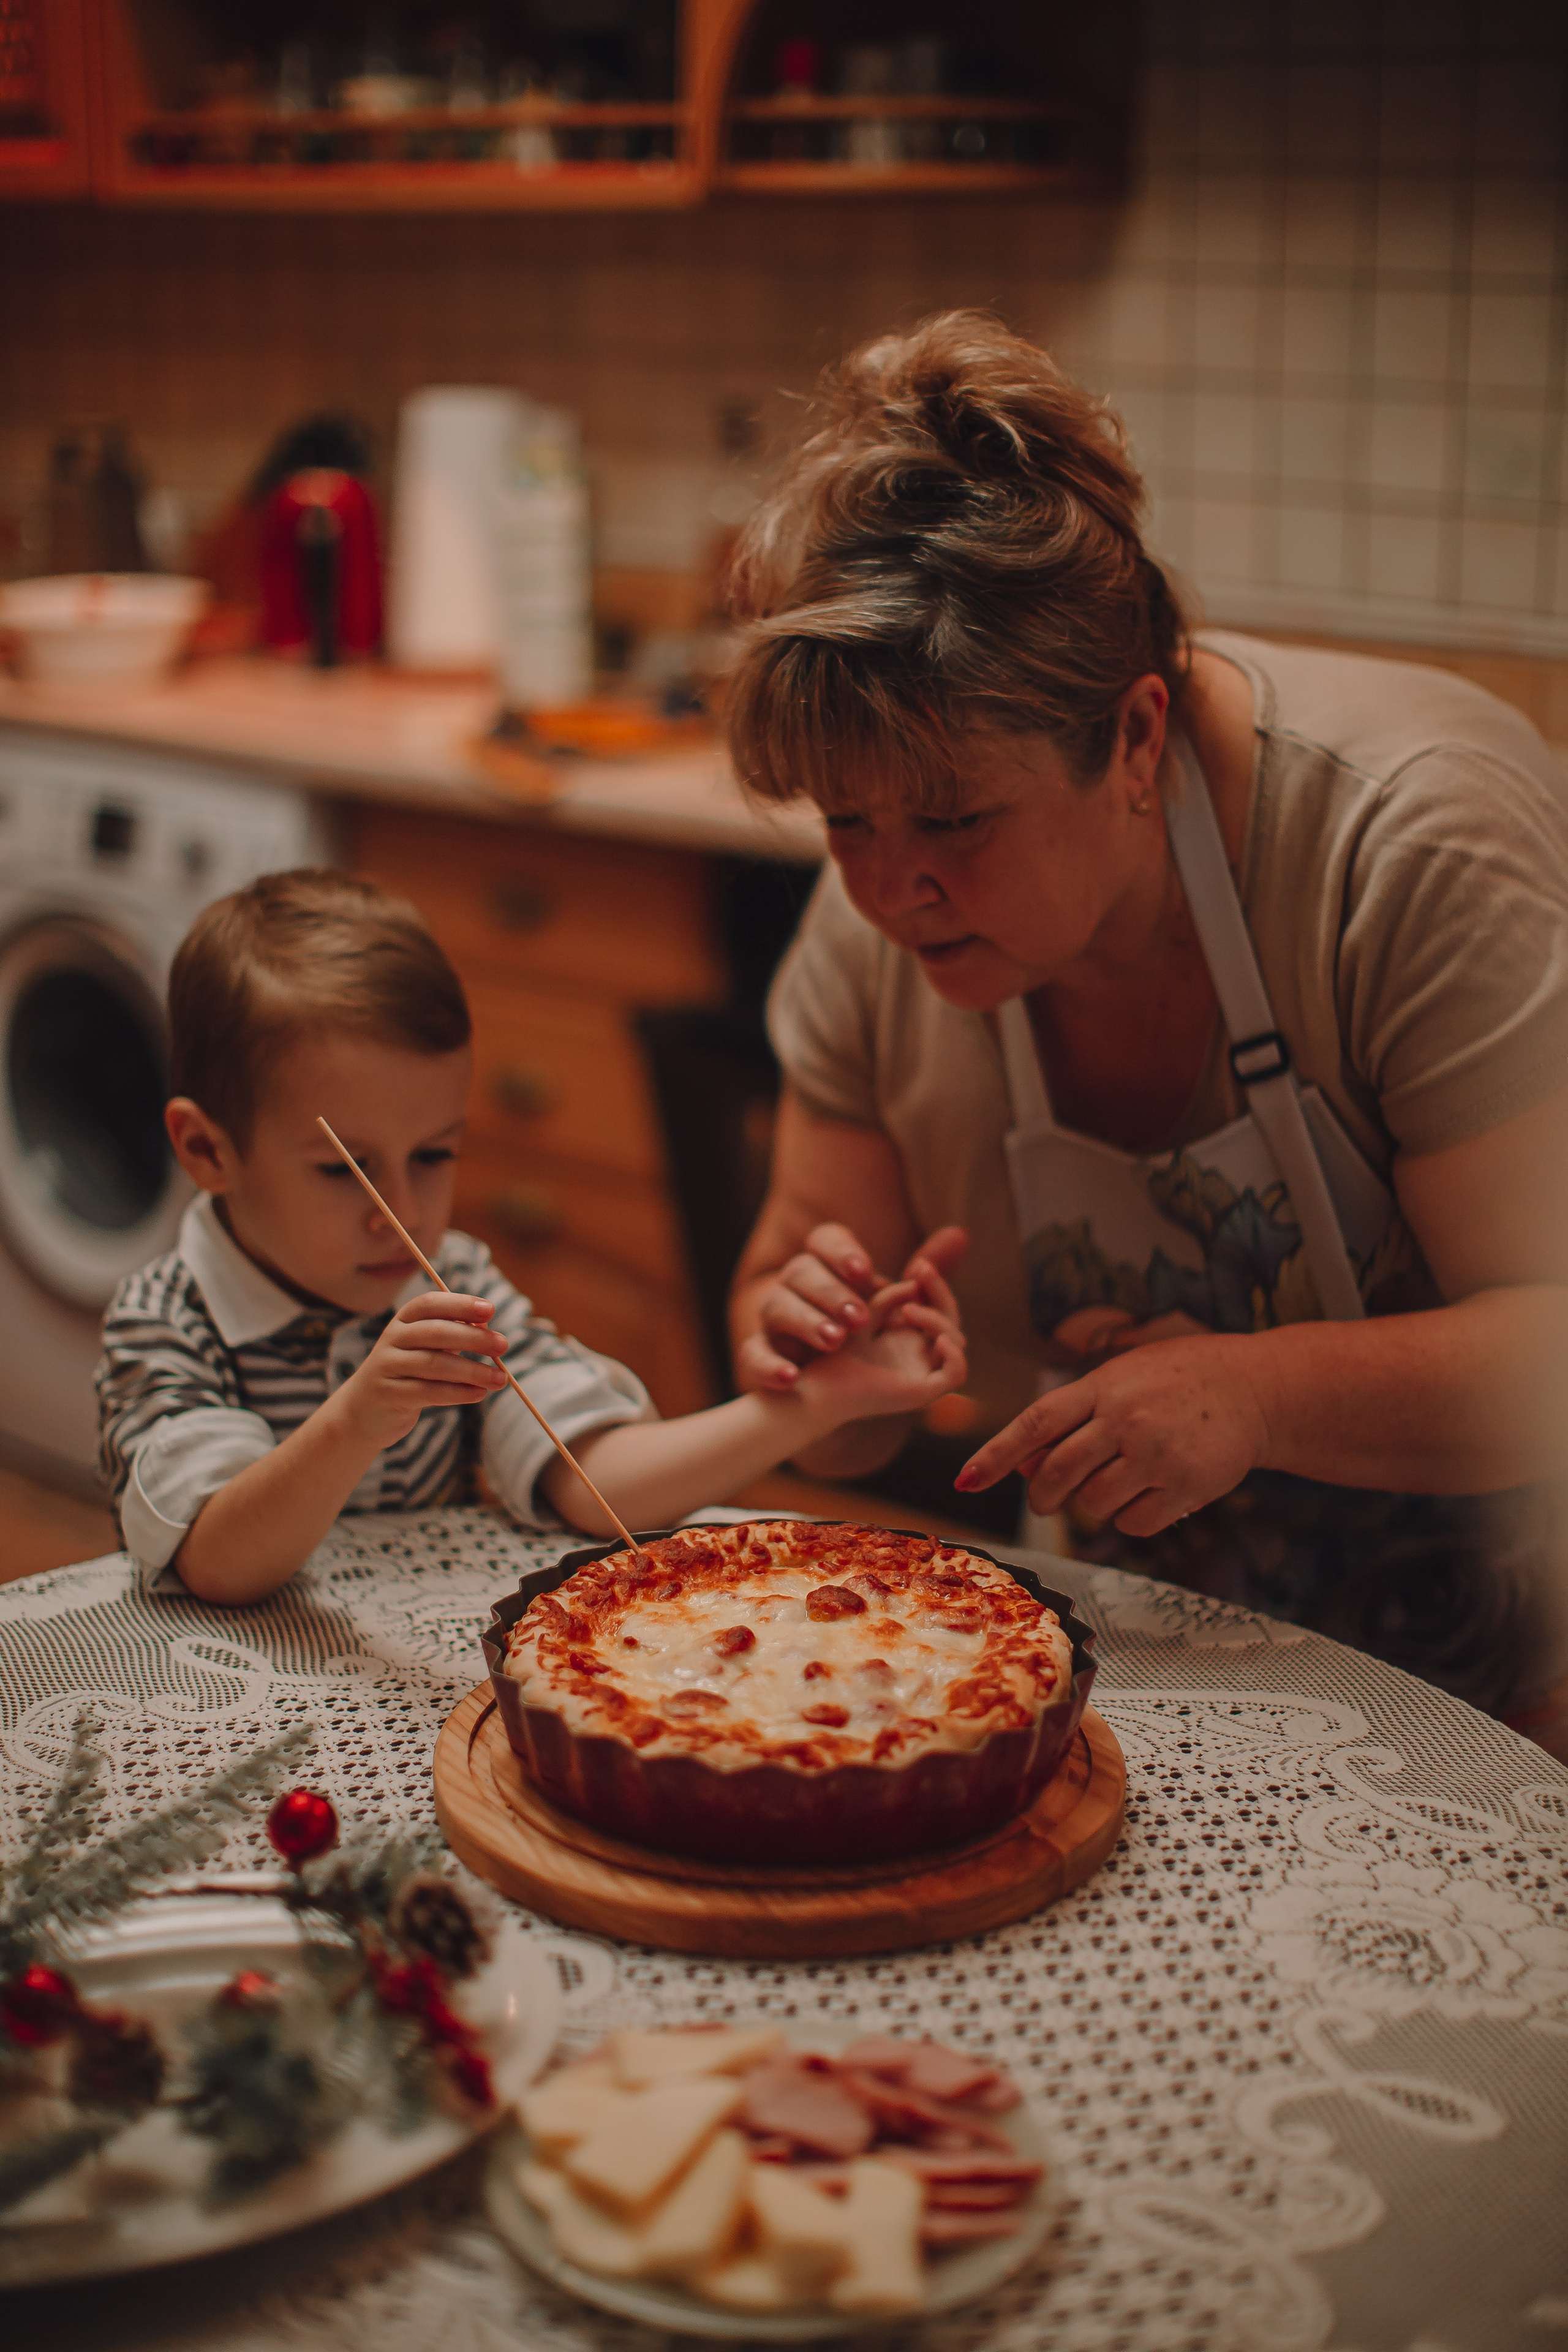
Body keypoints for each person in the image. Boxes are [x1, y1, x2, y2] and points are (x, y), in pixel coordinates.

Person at [724, 310, 1568, 1731]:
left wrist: (1257, 1396)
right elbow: (830, 1385)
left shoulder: (1406, 844)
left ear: (1131, 737)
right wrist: (811, 1360)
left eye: (952, 818)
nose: (884, 888)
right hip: (1143, 1672)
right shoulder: (878, 923)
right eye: (843, 820)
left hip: (1513, 1687)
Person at [96, 871, 965, 1605]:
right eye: (343, 1169)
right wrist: (359, 1421)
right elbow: (217, 1563)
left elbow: (593, 1479)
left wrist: (809, 1404)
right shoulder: (165, 1320)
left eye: (434, 1155)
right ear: (208, 1149)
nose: (399, 1210)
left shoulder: (451, 1280)